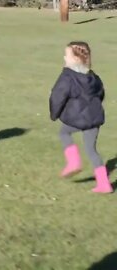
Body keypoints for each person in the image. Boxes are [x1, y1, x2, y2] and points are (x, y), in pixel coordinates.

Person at [49, 41, 113, 193]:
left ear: (76, 59)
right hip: (94, 118)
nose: (64, 58)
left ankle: (73, 162)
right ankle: (104, 185)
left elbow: (57, 96)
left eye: (67, 55)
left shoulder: (67, 77)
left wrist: (54, 114)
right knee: (92, 150)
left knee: (64, 132)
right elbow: (100, 94)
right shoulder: (94, 77)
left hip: (77, 118)